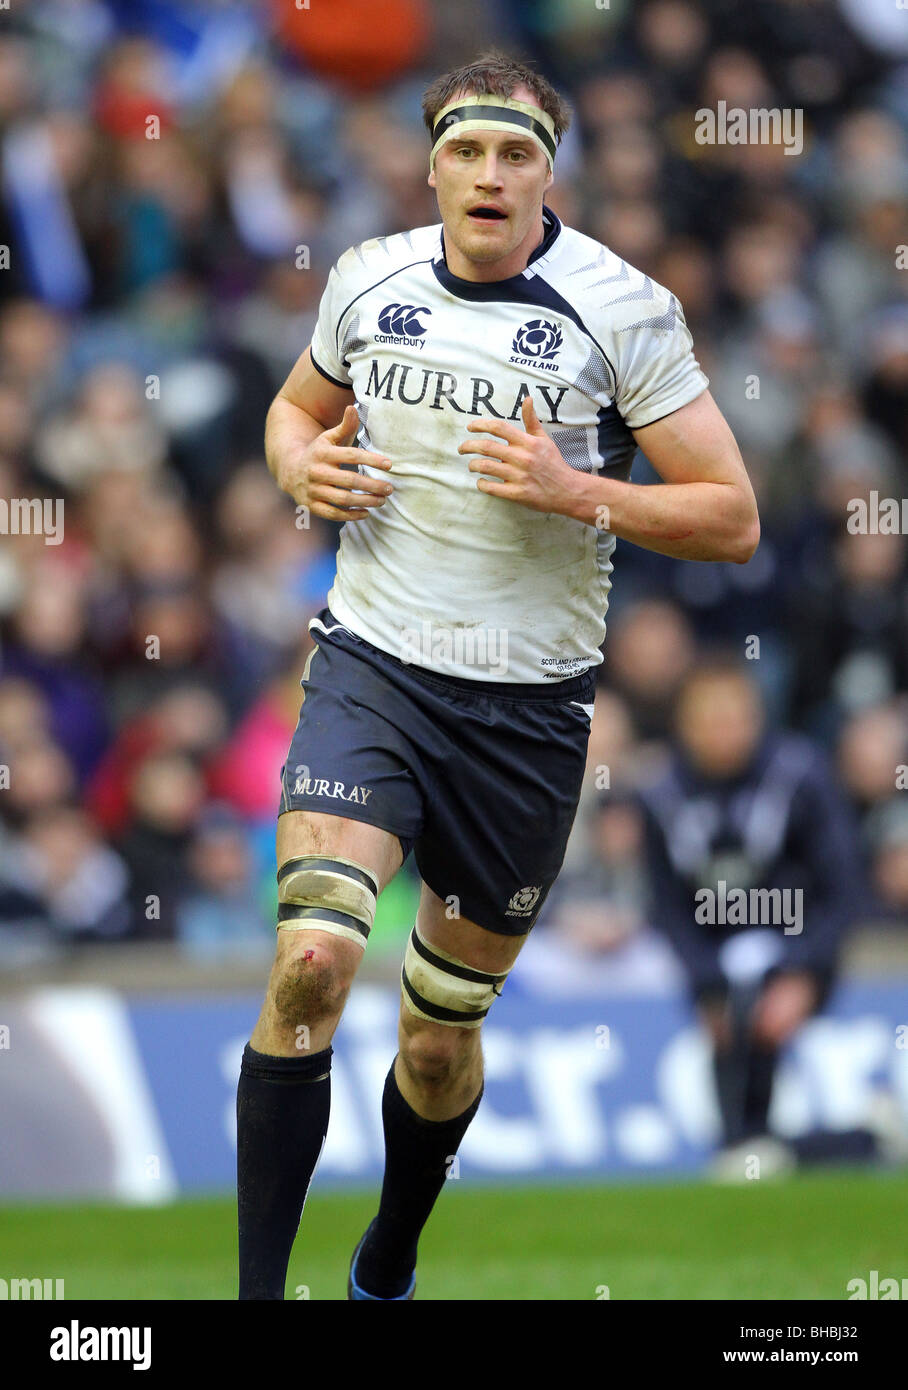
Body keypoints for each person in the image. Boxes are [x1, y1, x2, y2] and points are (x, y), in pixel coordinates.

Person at [236, 50, 759, 1301]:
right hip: (372, 669)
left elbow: (732, 515)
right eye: (465, 152)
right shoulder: (366, 279)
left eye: (515, 153)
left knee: (434, 1038)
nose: (488, 174)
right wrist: (297, 470)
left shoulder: (619, 309)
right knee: (310, 960)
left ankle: (391, 1252)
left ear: (546, 172)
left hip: (524, 719)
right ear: (429, 166)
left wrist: (582, 492)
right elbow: (291, 414)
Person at [638, 658, 885, 1177]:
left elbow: (842, 892)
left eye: (736, 717)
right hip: (716, 961)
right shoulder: (660, 795)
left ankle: (749, 1148)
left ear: (758, 717)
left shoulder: (801, 777)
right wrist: (704, 985)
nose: (723, 732)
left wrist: (805, 973)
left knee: (756, 1010)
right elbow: (666, 908)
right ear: (684, 724)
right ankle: (845, 1143)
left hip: (794, 949)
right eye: (709, 718)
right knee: (747, 1106)